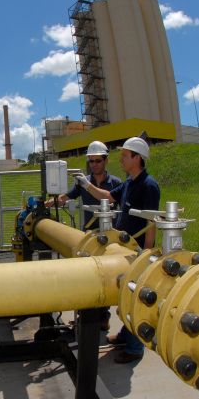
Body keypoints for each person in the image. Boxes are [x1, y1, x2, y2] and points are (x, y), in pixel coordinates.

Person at [85, 136, 160, 363]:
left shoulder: (148, 185)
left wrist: (146, 255)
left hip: (136, 250)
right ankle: (126, 335)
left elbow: (151, 221)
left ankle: (135, 348)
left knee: (133, 296)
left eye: (126, 155)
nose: (122, 159)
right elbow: (108, 196)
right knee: (123, 293)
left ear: (137, 158)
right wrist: (85, 185)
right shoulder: (129, 183)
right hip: (123, 247)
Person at [46, 140, 121, 330]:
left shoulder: (115, 183)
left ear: (106, 161)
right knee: (86, 278)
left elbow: (107, 198)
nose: (94, 165)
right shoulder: (82, 183)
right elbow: (67, 197)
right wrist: (50, 202)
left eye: (97, 161)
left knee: (105, 278)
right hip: (89, 236)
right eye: (91, 161)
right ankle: (85, 318)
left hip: (108, 239)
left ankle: (103, 318)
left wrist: (87, 185)